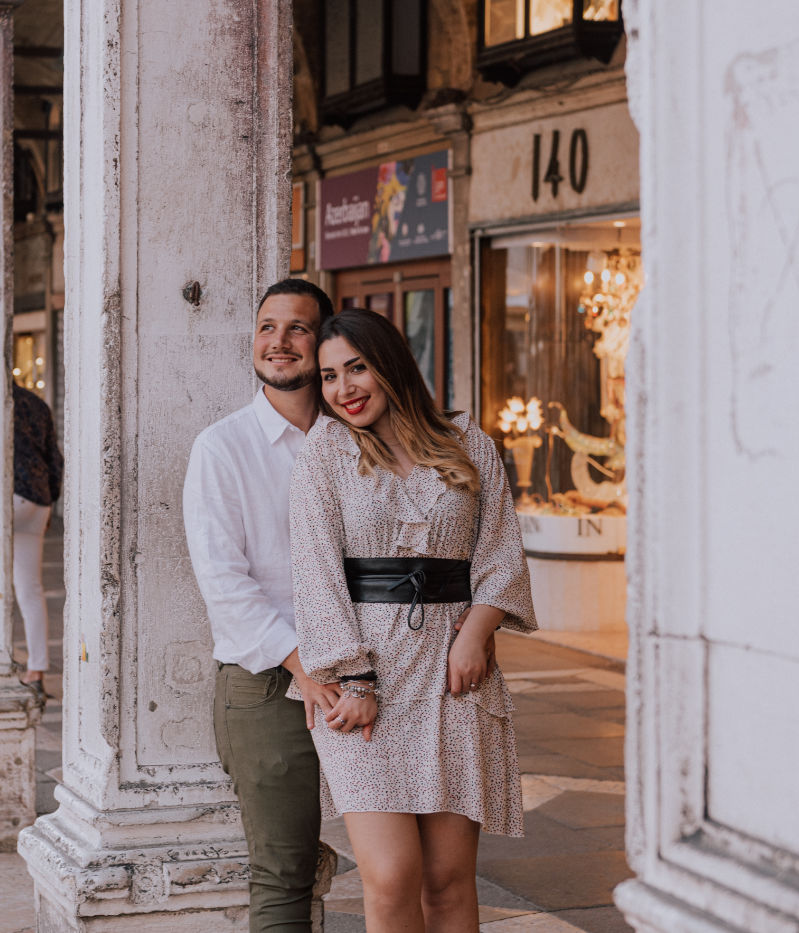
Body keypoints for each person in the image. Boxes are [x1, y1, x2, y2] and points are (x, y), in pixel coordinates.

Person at [288, 308, 536, 933]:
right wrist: (355, 679)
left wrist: (478, 632)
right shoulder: (325, 450)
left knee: (449, 882)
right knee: (392, 876)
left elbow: (501, 549)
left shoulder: (467, 441)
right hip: (364, 682)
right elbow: (315, 573)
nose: (343, 389)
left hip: (454, 679)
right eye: (328, 377)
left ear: (390, 362)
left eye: (356, 368)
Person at [183, 278, 339, 933]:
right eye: (267, 327)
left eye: (297, 327)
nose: (279, 341)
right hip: (268, 681)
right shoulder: (222, 448)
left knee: (396, 860)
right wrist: (306, 667)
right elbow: (225, 584)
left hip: (357, 671)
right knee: (280, 874)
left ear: (323, 342)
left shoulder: (353, 440)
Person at [13, 379, 63, 699]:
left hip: (9, 494)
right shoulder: (36, 403)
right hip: (38, 500)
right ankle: (36, 670)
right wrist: (47, 505)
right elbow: (54, 460)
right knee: (31, 588)